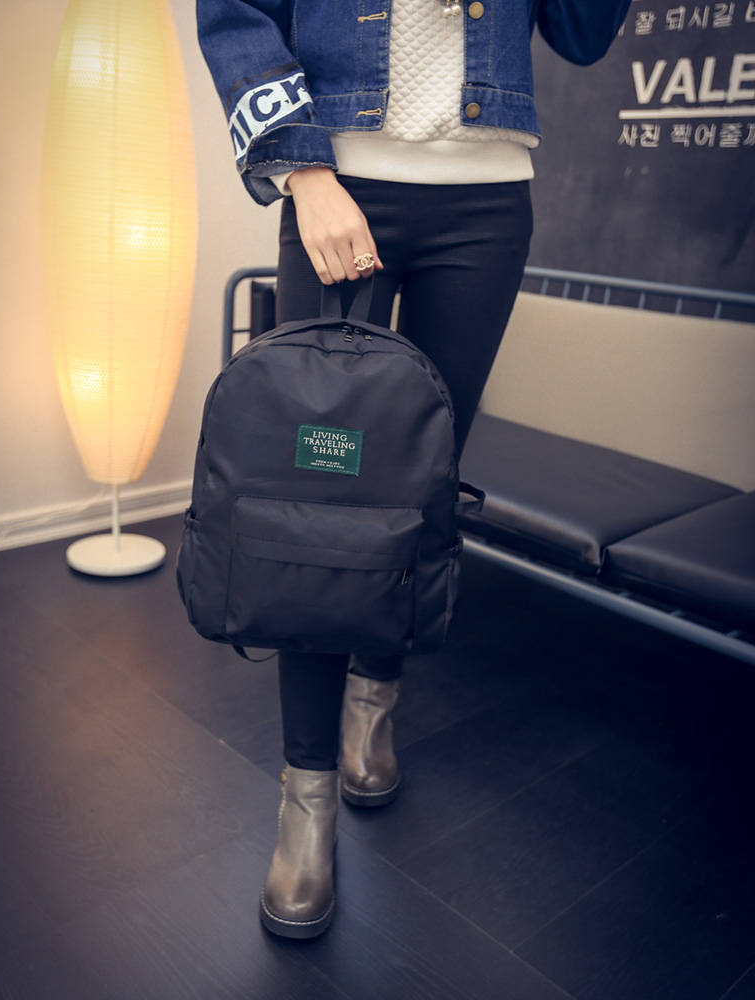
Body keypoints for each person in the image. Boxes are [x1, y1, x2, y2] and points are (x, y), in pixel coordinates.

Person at [196, 0, 631, 939]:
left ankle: (374, 699)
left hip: (488, 198)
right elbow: (235, 11)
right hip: (340, 179)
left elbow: (584, 33)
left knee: (424, 481)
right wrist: (304, 171)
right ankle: (307, 797)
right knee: (320, 498)